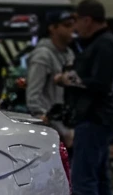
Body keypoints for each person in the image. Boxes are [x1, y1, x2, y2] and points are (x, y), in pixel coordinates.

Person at [64, 0, 113, 195]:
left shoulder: (104, 44)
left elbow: (100, 83)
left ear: (87, 19)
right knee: (100, 178)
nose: (75, 28)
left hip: (96, 117)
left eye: (76, 21)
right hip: (102, 117)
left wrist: (70, 79)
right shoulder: (105, 43)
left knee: (84, 178)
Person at [25, 10, 77, 143]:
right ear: (52, 28)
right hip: (51, 130)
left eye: (73, 25)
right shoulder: (42, 55)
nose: (72, 29)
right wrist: (56, 127)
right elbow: (33, 96)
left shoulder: (69, 54)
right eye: (67, 25)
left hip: (68, 123)